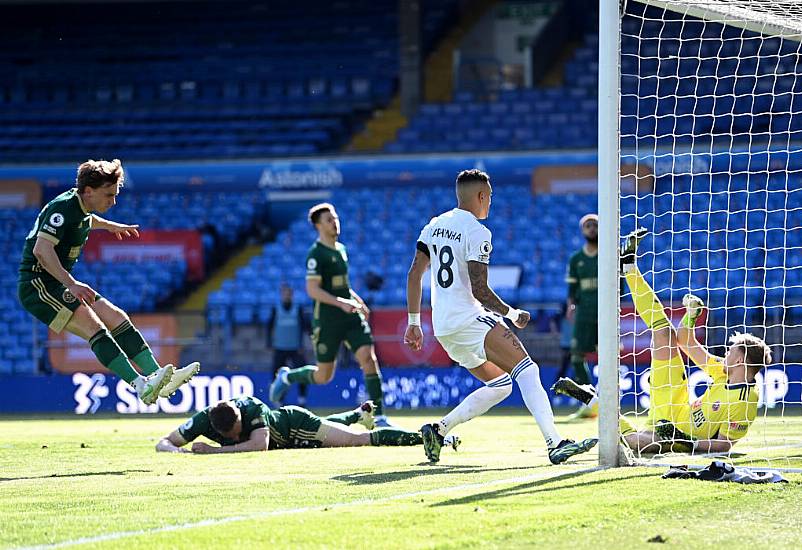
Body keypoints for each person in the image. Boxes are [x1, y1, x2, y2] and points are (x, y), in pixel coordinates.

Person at [405, 169, 598, 464]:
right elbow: (480, 290)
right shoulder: (477, 232)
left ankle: (439, 429)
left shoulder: (434, 225)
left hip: (443, 327)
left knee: (501, 385)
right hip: (469, 319)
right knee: (528, 370)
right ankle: (555, 443)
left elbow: (415, 273)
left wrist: (414, 323)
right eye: (490, 197)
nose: (491, 203)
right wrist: (512, 313)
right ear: (481, 196)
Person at [552, 228, 772, 455]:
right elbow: (686, 342)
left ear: (740, 360)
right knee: (665, 333)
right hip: (674, 398)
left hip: (676, 436)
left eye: (731, 351)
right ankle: (628, 267)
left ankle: (590, 399)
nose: (726, 353)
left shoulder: (745, 401)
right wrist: (691, 316)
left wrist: (684, 442)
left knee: (637, 443)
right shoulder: (723, 371)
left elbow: (724, 445)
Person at [17, 159, 199, 404]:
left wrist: (109, 226)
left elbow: (86, 221)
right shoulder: (62, 208)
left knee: (117, 317)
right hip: (37, 286)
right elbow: (42, 250)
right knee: (96, 328)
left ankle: (157, 377)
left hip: (56, 282)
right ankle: (140, 385)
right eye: (108, 195)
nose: (112, 201)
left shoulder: (79, 207)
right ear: (89, 191)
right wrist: (71, 283)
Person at [269, 203, 392, 427]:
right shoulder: (315, 254)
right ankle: (288, 377)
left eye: (335, 218)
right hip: (327, 320)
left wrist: (357, 301)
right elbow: (312, 290)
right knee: (324, 376)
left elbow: (343, 286)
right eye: (329, 219)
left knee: (368, 359)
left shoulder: (341, 249)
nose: (335, 222)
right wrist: (340, 303)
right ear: (318, 225)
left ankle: (380, 416)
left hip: (350, 315)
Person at [156, 396, 459, 453]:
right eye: (234, 436)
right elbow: (163, 442)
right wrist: (179, 453)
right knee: (335, 429)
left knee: (354, 441)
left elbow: (259, 444)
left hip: (295, 425)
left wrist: (210, 453)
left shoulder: (249, 408)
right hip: (291, 439)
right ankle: (358, 413)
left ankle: (425, 436)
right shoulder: (202, 421)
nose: (239, 437)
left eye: (239, 430)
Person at [564, 213, 599, 420]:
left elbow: (620, 287)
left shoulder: (608, 254)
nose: (592, 228)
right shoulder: (576, 259)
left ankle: (612, 404)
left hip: (605, 313)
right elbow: (571, 289)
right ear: (582, 230)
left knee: (610, 356)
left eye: (595, 225)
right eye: (588, 226)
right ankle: (589, 402)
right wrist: (570, 307)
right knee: (576, 356)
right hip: (584, 312)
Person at [266, 284, 310, 405]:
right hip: (280, 347)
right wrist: (269, 342)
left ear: (292, 294)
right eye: (284, 293)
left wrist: (303, 344)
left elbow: (304, 326)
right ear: (281, 294)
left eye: (289, 293)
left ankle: (302, 399)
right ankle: (279, 400)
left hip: (296, 348)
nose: (286, 295)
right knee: (277, 375)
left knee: (302, 373)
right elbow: (269, 326)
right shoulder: (276, 308)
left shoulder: (298, 308)